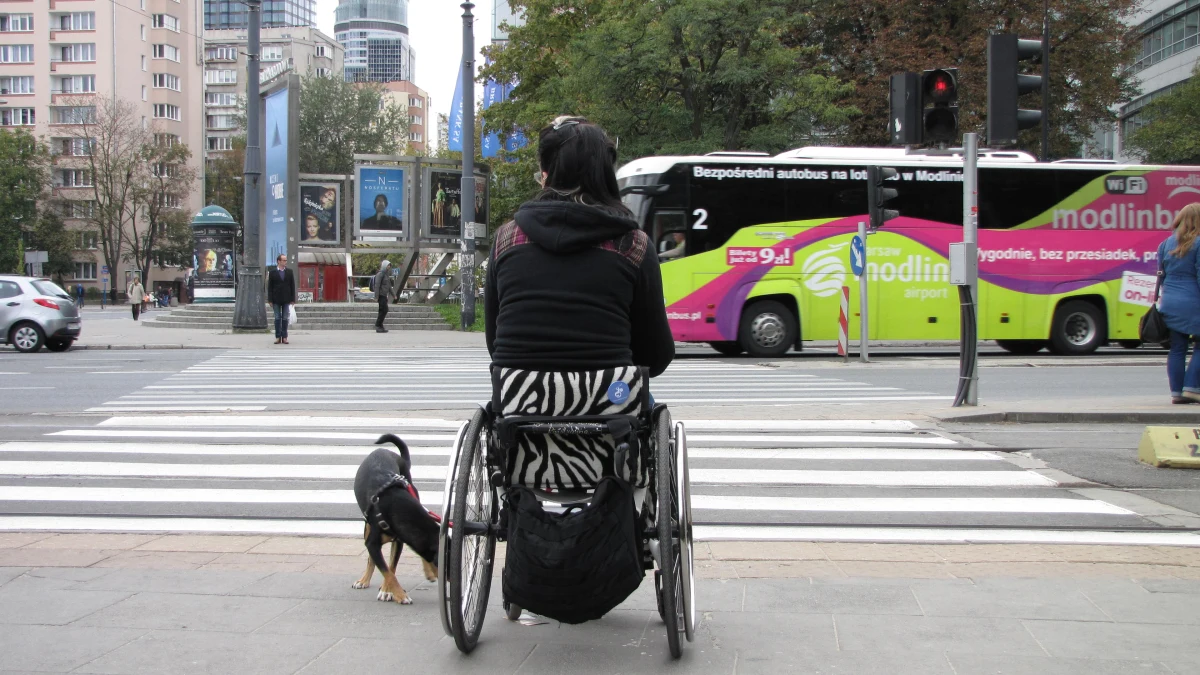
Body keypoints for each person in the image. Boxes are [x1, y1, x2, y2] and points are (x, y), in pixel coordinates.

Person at [485, 115, 674, 377]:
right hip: (610, 403)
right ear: (606, 175)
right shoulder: (633, 245)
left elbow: (495, 343)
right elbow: (656, 356)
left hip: (519, 403)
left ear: (545, 176)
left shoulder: (506, 240)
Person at [1158, 203, 1200, 404]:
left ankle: (1177, 392)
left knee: (1177, 348)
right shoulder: (1199, 243)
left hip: (1170, 302)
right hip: (1194, 302)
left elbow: (1162, 275)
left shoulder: (1165, 244)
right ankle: (1192, 387)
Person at [267, 254, 296, 344]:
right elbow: (270, 287)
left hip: (286, 299)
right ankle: (278, 337)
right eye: (283, 260)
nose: (285, 262)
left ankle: (285, 337)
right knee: (277, 318)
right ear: (278, 261)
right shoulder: (272, 273)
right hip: (276, 299)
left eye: (286, 260)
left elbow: (292, 285)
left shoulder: (289, 272)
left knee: (285, 318)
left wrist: (292, 299)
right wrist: (270, 300)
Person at [374, 259, 395, 333]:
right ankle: (378, 325)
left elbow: (389, 286)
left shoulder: (386, 275)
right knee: (383, 310)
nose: (389, 267)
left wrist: (394, 295)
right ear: (384, 265)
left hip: (384, 295)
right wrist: (376, 297)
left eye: (389, 265)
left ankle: (380, 325)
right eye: (388, 265)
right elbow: (377, 285)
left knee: (383, 310)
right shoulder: (380, 274)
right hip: (381, 295)